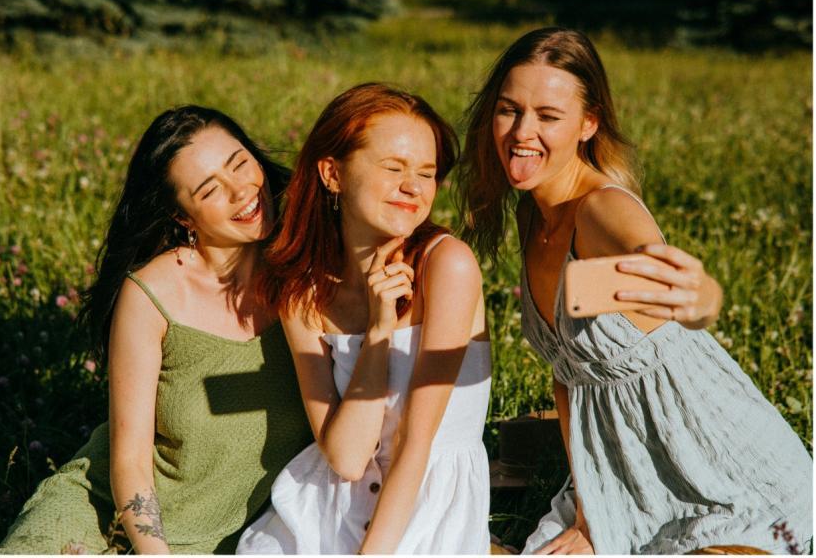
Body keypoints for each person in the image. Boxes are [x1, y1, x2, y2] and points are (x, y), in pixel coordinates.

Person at [456, 27, 813, 554]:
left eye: (548, 116)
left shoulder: (602, 210)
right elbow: (567, 379)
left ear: (588, 123)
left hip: (715, 465)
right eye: (509, 110)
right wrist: (587, 512)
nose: (522, 131)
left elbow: (665, 270)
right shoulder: (534, 213)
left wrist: (702, 295)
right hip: (615, 469)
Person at [0, 106, 314, 554]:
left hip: (236, 540)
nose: (241, 191)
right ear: (183, 218)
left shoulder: (308, 273)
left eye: (239, 163)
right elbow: (130, 460)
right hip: (109, 513)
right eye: (209, 190)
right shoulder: (152, 295)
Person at [236, 83, 492, 554]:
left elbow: (417, 444)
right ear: (333, 174)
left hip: (426, 511)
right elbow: (348, 458)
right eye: (393, 167)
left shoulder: (447, 266)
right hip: (327, 510)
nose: (413, 187)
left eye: (427, 173)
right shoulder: (303, 294)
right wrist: (378, 330)